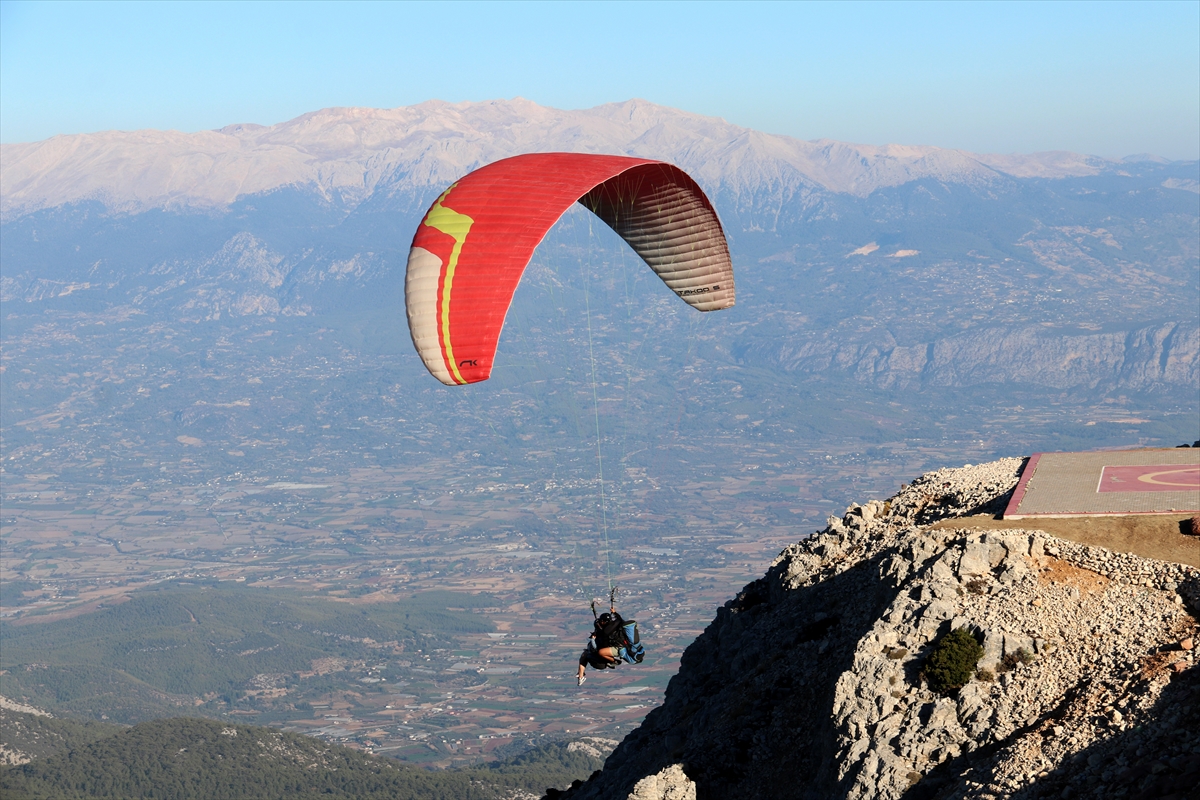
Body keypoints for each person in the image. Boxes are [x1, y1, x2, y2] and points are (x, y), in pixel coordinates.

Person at [576, 590, 629, 686]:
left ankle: (581, 676)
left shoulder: (604, 634)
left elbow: (597, 648)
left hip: (600, 662)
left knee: (584, 656)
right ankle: (580, 676)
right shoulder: (614, 627)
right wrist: (615, 613)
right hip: (610, 653)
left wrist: (592, 639)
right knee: (585, 655)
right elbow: (620, 621)